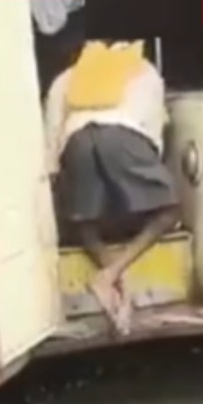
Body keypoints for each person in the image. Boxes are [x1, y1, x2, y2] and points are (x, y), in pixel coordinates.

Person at [44, 40, 180, 334]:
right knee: (168, 211)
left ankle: (111, 280)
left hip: (76, 140)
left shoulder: (64, 80)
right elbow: (154, 138)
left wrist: (62, 195)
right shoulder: (144, 70)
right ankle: (113, 273)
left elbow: (52, 151)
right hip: (125, 136)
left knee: (83, 220)